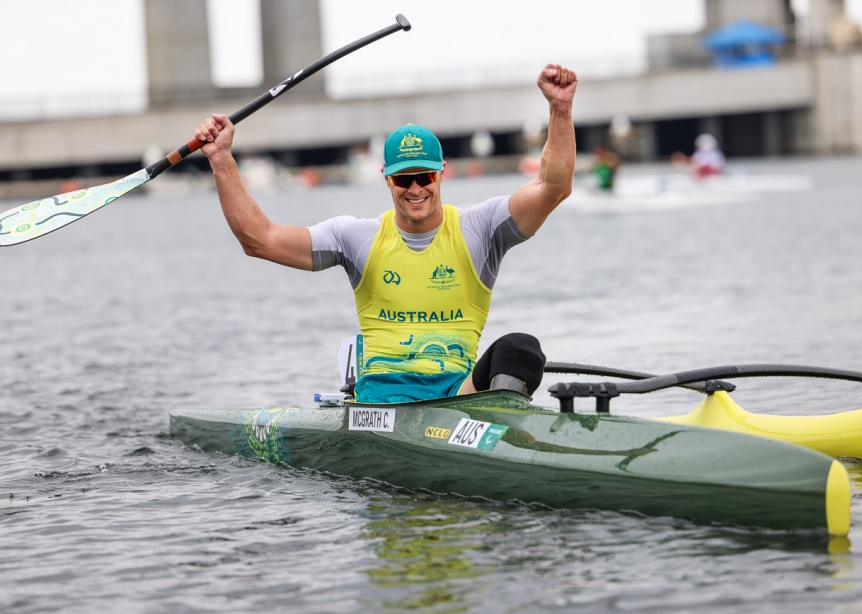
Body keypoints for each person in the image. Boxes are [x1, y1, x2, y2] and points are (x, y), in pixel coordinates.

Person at [193, 64, 577, 403]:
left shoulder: (481, 227)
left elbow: (552, 188)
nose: (415, 189)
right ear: (386, 178)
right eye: (403, 179)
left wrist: (560, 109)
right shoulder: (355, 237)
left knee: (520, 349)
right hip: (383, 399)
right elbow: (260, 239)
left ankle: (499, 440)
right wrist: (221, 158)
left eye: (424, 176)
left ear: (441, 171)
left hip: (456, 396)